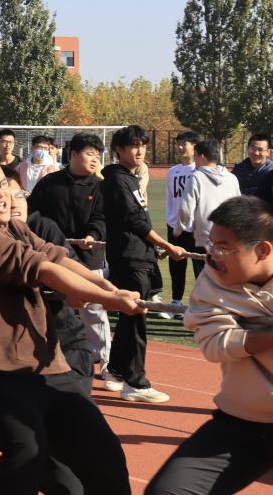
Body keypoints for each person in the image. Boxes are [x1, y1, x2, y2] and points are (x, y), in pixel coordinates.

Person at [0, 148, 142, 495]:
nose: (1, 195)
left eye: (2, 185)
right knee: (27, 450)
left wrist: (106, 286)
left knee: (103, 454)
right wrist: (109, 301)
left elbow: (57, 258)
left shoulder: (15, 227)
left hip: (47, 370)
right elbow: (42, 269)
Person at [146, 196, 273, 495]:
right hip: (243, 423)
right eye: (211, 244)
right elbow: (216, 344)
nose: (213, 256)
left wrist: (251, 331)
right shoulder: (211, 283)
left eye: (224, 247)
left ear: (262, 250)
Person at [101, 125, 186, 403]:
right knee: (136, 318)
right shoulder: (117, 180)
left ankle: (116, 370)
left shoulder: (130, 178)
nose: (140, 151)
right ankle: (135, 383)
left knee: (131, 316)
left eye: (143, 145)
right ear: (119, 150)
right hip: (130, 259)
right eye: (133, 146)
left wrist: (154, 247)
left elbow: (139, 220)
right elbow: (134, 221)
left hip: (139, 255)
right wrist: (167, 245)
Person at [7, 170, 96, 398]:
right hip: (14, 341)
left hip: (62, 332)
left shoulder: (43, 227)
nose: (15, 203)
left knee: (78, 403)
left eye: (19, 195)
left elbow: (68, 264)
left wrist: (101, 290)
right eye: (6, 198)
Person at [28, 133, 111, 376]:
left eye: (98, 156)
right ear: (73, 154)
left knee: (93, 310)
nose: (94, 160)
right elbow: (33, 215)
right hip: (52, 257)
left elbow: (101, 218)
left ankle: (106, 362)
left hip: (88, 257)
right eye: (89, 154)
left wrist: (93, 236)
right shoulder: (49, 183)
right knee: (52, 308)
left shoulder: (100, 186)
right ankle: (51, 359)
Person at [174, 139, 241, 271]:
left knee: (205, 277)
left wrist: (179, 229)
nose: (194, 161)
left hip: (205, 238)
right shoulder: (232, 178)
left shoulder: (197, 177)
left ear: (202, 156)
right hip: (228, 237)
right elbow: (239, 207)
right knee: (225, 275)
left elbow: (186, 208)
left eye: (195, 156)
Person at [166, 131, 204, 307]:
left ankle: (202, 304)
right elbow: (170, 199)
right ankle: (176, 302)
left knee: (200, 268)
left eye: (184, 144)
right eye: (178, 144)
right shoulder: (172, 172)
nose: (180, 147)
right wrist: (170, 221)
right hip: (175, 227)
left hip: (196, 228)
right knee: (176, 267)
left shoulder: (201, 171)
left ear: (194, 147)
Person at [231, 133, 273, 203]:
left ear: (268, 152)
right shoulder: (239, 168)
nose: (256, 153)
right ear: (247, 149)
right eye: (253, 148)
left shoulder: (271, 172)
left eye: (260, 150)